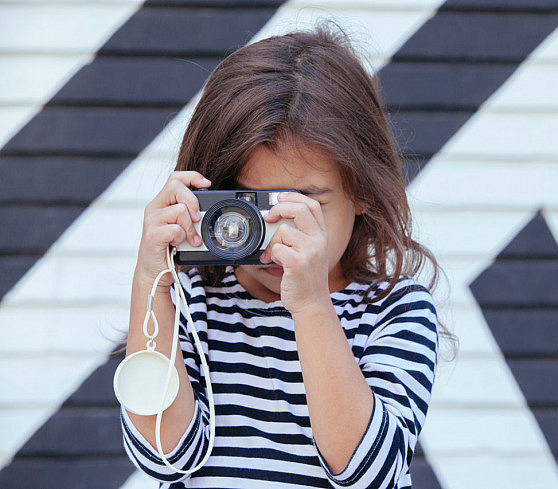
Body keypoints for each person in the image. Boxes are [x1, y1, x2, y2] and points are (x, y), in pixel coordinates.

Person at [121, 26, 448, 489]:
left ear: (363, 193)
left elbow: (369, 474)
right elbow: (163, 455)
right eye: (248, 206)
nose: (274, 234)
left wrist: (312, 305)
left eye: (304, 205)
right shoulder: (194, 302)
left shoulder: (395, 309)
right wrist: (150, 280)